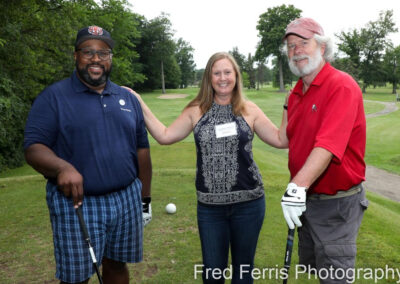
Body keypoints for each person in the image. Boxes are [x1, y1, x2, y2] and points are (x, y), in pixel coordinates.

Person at [125, 52, 288, 283]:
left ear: (236, 76)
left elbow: (282, 140)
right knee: (212, 275)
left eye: (227, 72)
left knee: (243, 274)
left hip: (249, 204)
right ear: (209, 78)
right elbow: (164, 135)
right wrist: (140, 103)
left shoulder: (249, 109)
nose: (223, 78)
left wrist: (288, 106)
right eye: (217, 73)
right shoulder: (195, 110)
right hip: (210, 209)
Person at [24, 26, 152, 284]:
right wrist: (62, 168)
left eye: (103, 53)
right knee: (77, 277)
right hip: (78, 203)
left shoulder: (127, 98)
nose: (96, 59)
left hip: (126, 198)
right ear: (75, 56)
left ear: (111, 58)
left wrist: (145, 200)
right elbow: (33, 147)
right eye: (88, 52)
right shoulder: (54, 97)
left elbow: (142, 150)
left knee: (117, 265)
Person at [280, 18, 368, 283]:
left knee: (335, 278)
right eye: (291, 46)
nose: (296, 51)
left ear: (322, 46)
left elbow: (328, 145)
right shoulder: (296, 92)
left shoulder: (341, 85)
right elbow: (286, 138)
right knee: (319, 272)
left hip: (337, 205)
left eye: (303, 43)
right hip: (309, 202)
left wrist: (297, 186)